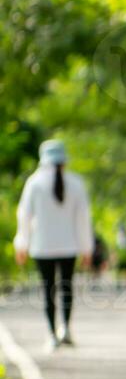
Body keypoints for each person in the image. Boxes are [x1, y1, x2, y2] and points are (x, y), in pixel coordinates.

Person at [12, 139, 93, 351]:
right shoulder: (76, 183)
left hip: (42, 247)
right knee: (66, 287)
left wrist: (22, 245)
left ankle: (51, 333)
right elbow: (83, 220)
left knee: (48, 290)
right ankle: (65, 328)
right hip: (69, 246)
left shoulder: (34, 183)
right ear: (64, 160)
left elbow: (24, 216)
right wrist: (87, 249)